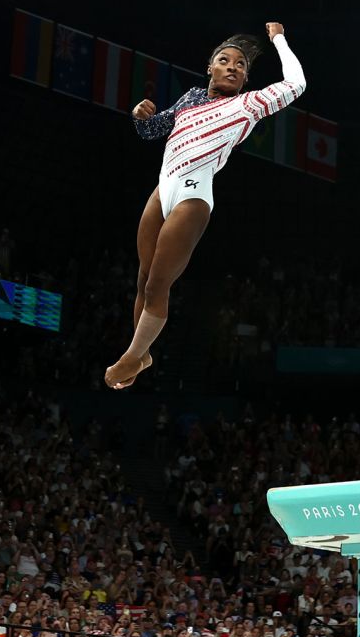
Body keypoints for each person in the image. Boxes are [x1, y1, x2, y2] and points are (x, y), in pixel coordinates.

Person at [106, 22, 306, 389]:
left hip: (193, 195)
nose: (233, 67)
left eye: (241, 66)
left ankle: (133, 357)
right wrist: (139, 115)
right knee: (142, 278)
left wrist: (278, 38)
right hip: (162, 189)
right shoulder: (189, 99)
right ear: (209, 68)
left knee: (157, 285)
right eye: (225, 60)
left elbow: (297, 84)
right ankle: (141, 353)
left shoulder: (248, 105)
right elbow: (152, 131)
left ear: (245, 80)